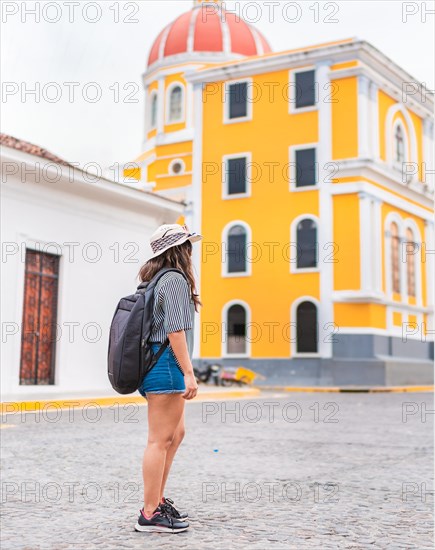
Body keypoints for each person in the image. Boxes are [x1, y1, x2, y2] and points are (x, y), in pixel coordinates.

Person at [134, 223, 202, 534]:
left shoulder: (157, 279)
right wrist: (189, 372)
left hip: (161, 364)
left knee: (176, 434)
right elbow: (175, 331)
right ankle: (149, 513)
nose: (191, 250)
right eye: (188, 245)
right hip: (165, 365)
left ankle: (157, 500)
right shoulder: (173, 280)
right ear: (179, 250)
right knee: (159, 440)